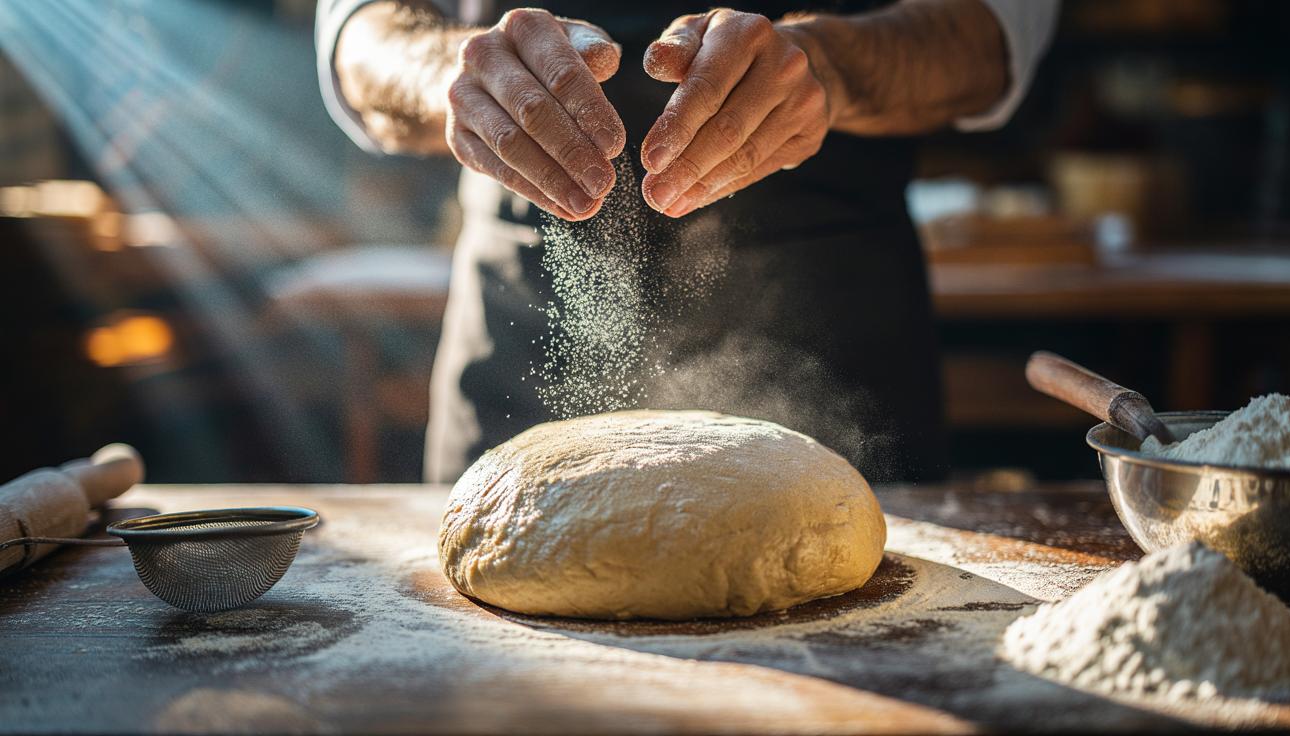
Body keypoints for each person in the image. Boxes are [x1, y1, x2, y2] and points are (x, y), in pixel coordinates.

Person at [315, 0, 1058, 483]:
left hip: (829, 305)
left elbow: (993, 38)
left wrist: (830, 65)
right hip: (526, 301)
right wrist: (451, 71)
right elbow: (359, 35)